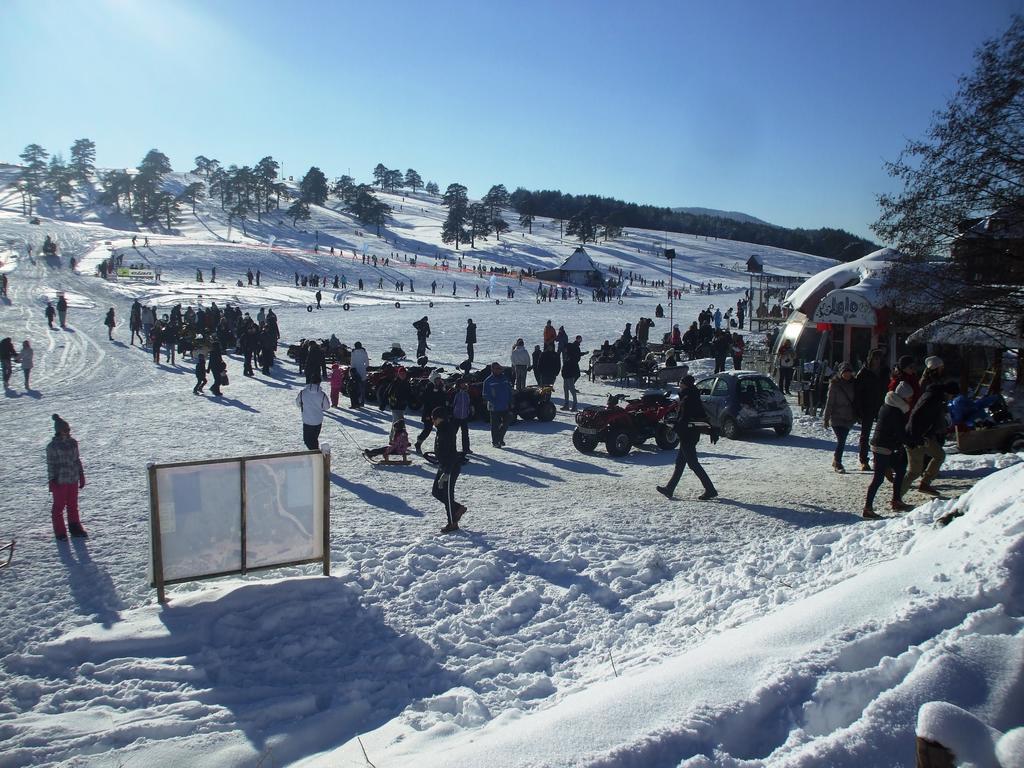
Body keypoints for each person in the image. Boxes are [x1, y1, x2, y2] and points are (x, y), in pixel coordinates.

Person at [657, 375, 719, 500]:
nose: (680, 384)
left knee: (693, 463)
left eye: (681, 382)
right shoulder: (690, 395)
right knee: (680, 463)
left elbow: (689, 417)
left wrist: (676, 424)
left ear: (686, 384)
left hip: (689, 434)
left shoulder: (689, 397)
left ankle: (710, 489)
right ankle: (670, 488)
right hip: (688, 433)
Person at [863, 381, 915, 519]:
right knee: (878, 479)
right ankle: (868, 508)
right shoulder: (894, 411)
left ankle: (896, 500)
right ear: (903, 397)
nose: (911, 399)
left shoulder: (889, 405)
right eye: (909, 397)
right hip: (882, 447)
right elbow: (900, 433)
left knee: (900, 468)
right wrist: (912, 442)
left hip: (885, 446)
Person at [903, 379, 959, 497]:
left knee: (939, 455)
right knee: (914, 472)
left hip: (926, 437)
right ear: (948, 392)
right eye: (952, 395)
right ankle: (896, 498)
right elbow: (915, 416)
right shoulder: (932, 398)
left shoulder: (937, 398)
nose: (952, 398)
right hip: (916, 437)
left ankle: (925, 483)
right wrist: (915, 438)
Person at [47, 414, 87, 540]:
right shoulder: (52, 447)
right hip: (60, 481)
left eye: (68, 429)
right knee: (58, 507)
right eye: (65, 430)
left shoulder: (73, 443)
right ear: (59, 431)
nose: (68, 432)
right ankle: (60, 532)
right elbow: (51, 464)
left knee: (73, 505)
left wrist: (81, 475)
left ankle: (75, 527)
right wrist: (52, 480)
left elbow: (77, 460)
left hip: (73, 478)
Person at [431, 407, 466, 534]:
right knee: (436, 492)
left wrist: (447, 472)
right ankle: (458, 508)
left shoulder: (447, 429)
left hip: (450, 467)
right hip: (443, 465)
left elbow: (451, 453)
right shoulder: (441, 428)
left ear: (440, 418)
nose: (432, 420)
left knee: (447, 494)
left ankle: (452, 523)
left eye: (434, 418)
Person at [853, 349, 887, 471]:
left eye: (879, 358)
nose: (877, 361)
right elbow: (857, 393)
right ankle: (863, 459)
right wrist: (858, 410)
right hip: (867, 406)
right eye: (875, 358)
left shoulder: (884, 372)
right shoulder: (864, 373)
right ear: (870, 359)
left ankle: (880, 460)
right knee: (865, 435)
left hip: (881, 406)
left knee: (881, 435)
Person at [822, 362, 857, 473]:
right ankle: (838, 462)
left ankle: (836, 460)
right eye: (845, 372)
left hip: (849, 417)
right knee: (841, 440)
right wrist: (826, 418)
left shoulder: (854, 384)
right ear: (840, 373)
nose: (847, 375)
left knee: (843, 439)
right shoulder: (835, 384)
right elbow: (829, 402)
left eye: (849, 372)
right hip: (836, 416)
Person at [415, 372, 448, 452]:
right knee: (427, 429)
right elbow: (423, 400)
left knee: (441, 431)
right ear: (433, 380)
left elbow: (443, 400)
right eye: (437, 379)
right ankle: (418, 443)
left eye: (439, 379)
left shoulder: (441, 388)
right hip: (428, 413)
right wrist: (427, 414)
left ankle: (439, 448)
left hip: (439, 413)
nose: (439, 381)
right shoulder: (429, 387)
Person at [483, 362, 513, 448]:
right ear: (492, 369)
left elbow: (509, 390)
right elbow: (485, 395)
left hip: (505, 405)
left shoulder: (504, 378)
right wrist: (494, 401)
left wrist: (511, 401)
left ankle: (500, 438)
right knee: (495, 425)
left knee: (507, 421)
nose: (498, 370)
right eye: (496, 369)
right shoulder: (488, 381)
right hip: (494, 407)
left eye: (499, 368)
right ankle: (495, 442)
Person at [296, 377, 330, 450]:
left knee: (307, 440)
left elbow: (298, 403)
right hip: (318, 420)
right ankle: (316, 453)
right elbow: (327, 406)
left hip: (307, 420)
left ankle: (316, 455)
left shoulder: (303, 392)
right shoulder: (322, 394)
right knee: (314, 439)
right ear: (319, 383)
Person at [561, 335, 584, 411]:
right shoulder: (568, 355)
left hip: (570, 374)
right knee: (566, 389)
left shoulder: (571, 357)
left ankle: (574, 405)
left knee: (571, 389)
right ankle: (567, 405)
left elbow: (571, 366)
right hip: (566, 374)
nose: (564, 351)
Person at [451, 379, 472, 454]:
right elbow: (452, 404)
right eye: (462, 383)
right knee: (453, 433)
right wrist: (451, 414)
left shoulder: (466, 393)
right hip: (456, 416)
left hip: (464, 416)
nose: (464, 385)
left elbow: (468, 403)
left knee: (465, 433)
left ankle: (466, 448)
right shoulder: (455, 393)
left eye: (464, 383)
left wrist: (468, 412)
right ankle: (452, 448)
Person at [349, 341, 369, 407]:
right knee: (363, 387)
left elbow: (352, 362)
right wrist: (364, 367)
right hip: (363, 371)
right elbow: (367, 362)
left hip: (355, 372)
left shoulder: (353, 352)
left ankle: (356, 401)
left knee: (355, 387)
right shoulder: (364, 352)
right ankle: (362, 402)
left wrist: (351, 371)